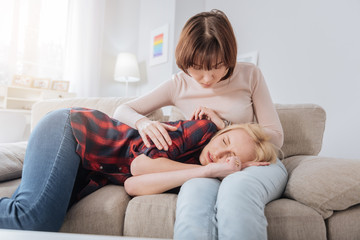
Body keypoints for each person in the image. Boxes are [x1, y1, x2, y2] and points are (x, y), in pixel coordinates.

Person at [113, 9, 288, 240]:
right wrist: (144, 123)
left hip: (256, 163)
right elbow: (122, 110)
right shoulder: (178, 84)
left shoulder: (250, 75)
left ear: (229, 57)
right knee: (193, 200)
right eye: (197, 68)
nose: (206, 78)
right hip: (207, 168)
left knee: (237, 192)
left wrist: (223, 125)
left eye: (217, 66)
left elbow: (276, 137)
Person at [0, 107, 275, 231]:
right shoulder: (200, 130)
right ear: (218, 133)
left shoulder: (201, 173)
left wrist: (210, 172)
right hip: (73, 130)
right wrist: (206, 170)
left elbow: (133, 185)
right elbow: (139, 165)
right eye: (224, 141)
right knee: (33, 219)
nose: (219, 154)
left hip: (85, 165)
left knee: (29, 214)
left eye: (230, 157)